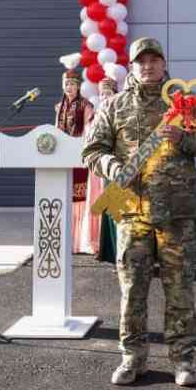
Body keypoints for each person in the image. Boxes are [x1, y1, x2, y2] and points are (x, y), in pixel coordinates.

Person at [83, 37, 196, 387]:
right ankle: (133, 358)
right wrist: (112, 166)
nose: (147, 67)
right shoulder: (114, 106)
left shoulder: (186, 103)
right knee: (133, 291)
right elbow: (92, 150)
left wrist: (184, 139)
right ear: (131, 66)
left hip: (177, 214)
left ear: (164, 64)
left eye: (153, 60)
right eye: (140, 61)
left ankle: (183, 360)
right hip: (133, 213)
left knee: (180, 290)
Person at [55, 64, 95, 254]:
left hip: (78, 156)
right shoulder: (59, 106)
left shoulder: (86, 106)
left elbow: (89, 130)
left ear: (79, 86)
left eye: (72, 84)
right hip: (62, 157)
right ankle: (64, 239)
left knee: (78, 197)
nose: (69, 87)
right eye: (66, 84)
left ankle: (78, 242)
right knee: (64, 197)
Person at [85, 76, 120, 263]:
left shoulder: (120, 111)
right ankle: (105, 249)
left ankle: (117, 253)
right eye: (101, 93)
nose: (104, 96)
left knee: (116, 211)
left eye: (107, 92)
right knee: (105, 208)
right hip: (101, 167)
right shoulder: (96, 113)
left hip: (118, 166)